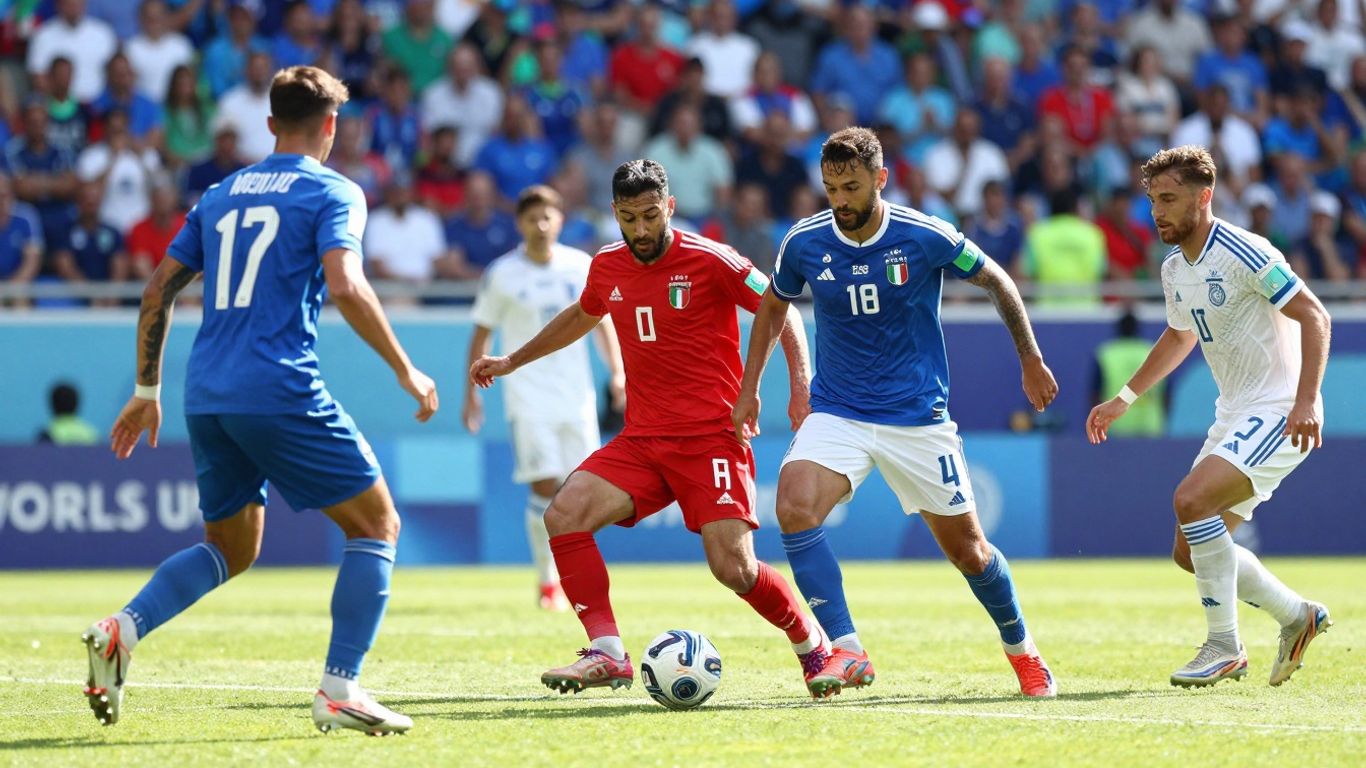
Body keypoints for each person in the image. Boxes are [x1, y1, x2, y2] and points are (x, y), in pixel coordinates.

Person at [83, 66, 439, 735]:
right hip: (277, 386)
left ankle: (121, 631)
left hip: (206, 391)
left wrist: (144, 391)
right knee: (376, 525)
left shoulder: (218, 194)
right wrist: (407, 369)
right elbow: (347, 284)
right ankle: (340, 688)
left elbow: (158, 288)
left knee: (232, 546)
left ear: (270, 123)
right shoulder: (334, 190)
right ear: (332, 125)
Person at [471, 159, 831, 697]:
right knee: (564, 515)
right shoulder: (608, 264)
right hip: (644, 440)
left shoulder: (711, 259)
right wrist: (512, 360)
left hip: (711, 436)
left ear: (669, 207)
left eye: (649, 216)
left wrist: (798, 385)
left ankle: (814, 647)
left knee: (734, 568)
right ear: (614, 212)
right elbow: (582, 315)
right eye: (628, 218)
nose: (640, 230)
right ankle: (607, 653)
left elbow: (784, 312)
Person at [733, 127, 1060, 699]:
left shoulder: (922, 234)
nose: (840, 200)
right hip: (840, 411)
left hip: (916, 417)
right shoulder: (803, 242)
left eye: (852, 186)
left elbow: (997, 280)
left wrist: (1030, 359)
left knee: (971, 553)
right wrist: (752, 386)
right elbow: (773, 306)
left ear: (880, 179)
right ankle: (846, 649)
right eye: (831, 187)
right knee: (793, 506)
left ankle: (1023, 651)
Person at [1087, 145, 1333, 688]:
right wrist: (1124, 397)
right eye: (1153, 201)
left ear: (1205, 197)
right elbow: (1180, 336)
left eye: (1170, 199)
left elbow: (1315, 315)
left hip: (1279, 410)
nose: (1158, 213)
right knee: (1189, 551)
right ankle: (1298, 615)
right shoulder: (1175, 266)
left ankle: (1225, 646)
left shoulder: (1245, 252)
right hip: (1236, 414)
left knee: (1190, 500)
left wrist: (1306, 400)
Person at [463, 184, 626, 612]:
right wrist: (471, 396)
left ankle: (579, 576)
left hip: (576, 397)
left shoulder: (579, 266)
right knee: (543, 487)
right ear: (519, 223)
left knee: (582, 493)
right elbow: (480, 332)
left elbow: (602, 321)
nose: (540, 225)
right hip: (528, 398)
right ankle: (548, 580)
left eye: (547, 217)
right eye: (532, 218)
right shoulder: (501, 273)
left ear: (560, 221)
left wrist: (617, 372)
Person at [1092, 308, 1165, 437]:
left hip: (1115, 425)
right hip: (1149, 425)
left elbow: (1095, 394)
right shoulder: (1151, 351)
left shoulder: (1106, 354)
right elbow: (1165, 393)